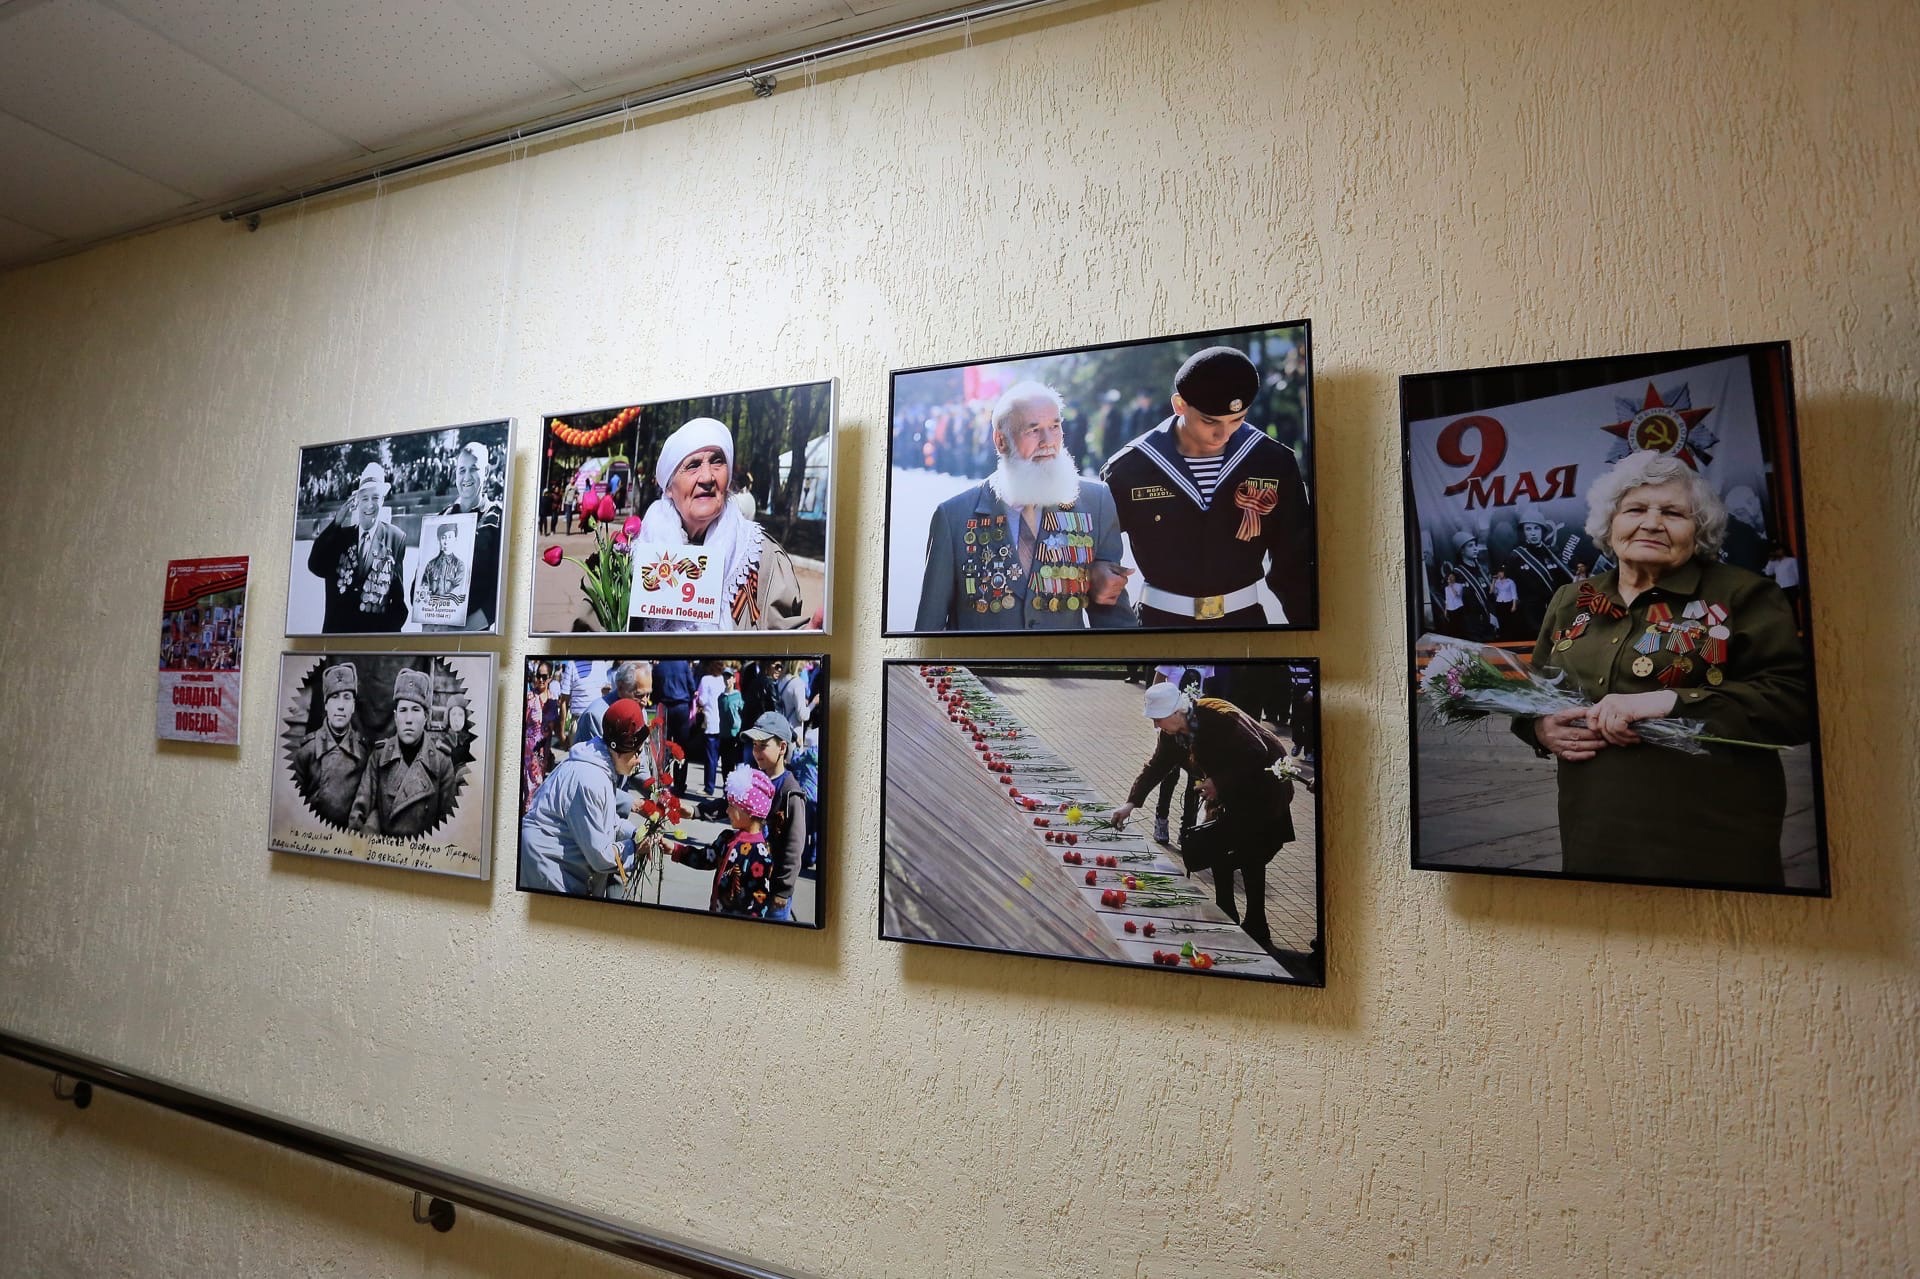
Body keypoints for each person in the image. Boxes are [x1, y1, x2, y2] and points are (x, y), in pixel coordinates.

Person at [1511, 451, 1812, 887]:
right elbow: (1535, 694)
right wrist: (1538, 728)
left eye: (1672, 512)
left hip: (1709, 836)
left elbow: (1795, 702)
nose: (1651, 523)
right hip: (1594, 832)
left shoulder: (1743, 595)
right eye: (1635, 509)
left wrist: (1669, 701)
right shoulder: (1569, 599)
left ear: (1699, 530)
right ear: (1609, 523)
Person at [1102, 347, 1314, 627]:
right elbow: (1097, 555)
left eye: (1237, 419)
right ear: (1180, 404)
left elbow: (1295, 564)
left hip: (1245, 628)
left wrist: (1309, 638)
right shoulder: (1132, 467)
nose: (1223, 434)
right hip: (1159, 628)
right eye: (1209, 421)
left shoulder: (1272, 461)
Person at [914, 381, 1137, 630]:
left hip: (1066, 667)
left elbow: (1113, 615)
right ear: (1001, 441)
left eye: (1055, 427)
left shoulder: (1095, 502)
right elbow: (929, 629)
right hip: (981, 668)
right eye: (1033, 430)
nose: (1048, 441)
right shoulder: (954, 516)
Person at [1110, 682, 1296, 950]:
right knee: (1219, 852)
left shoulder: (1219, 717)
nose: (1155, 726)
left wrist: (1218, 782)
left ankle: (1256, 927)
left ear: (1177, 712)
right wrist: (1130, 803)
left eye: (1158, 719)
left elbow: (1257, 753)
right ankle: (1227, 917)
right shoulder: (1172, 734)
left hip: (1263, 790)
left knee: (1251, 858)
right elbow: (1156, 766)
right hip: (1230, 794)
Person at [634, 418, 807, 631]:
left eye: (717, 461)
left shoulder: (761, 557)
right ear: (669, 488)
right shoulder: (635, 553)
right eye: (693, 465)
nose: (707, 477)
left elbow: (788, 643)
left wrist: (807, 643)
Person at [520, 698, 649, 897]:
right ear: (619, 748)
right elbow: (600, 856)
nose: (639, 761)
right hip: (547, 864)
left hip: (548, 858)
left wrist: (637, 833)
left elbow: (604, 820)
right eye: (637, 752)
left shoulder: (599, 761)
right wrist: (635, 848)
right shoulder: (592, 779)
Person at [351, 668, 460, 837]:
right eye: (403, 710)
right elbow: (359, 814)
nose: (408, 719)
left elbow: (449, 828)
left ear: (426, 717)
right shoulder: (379, 756)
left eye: (416, 710)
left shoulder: (441, 763)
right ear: (395, 717)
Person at [306, 462, 410, 632]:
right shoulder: (340, 537)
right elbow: (315, 565)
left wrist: (383, 637)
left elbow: (398, 603)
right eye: (364, 498)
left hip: (372, 644)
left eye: (375, 497)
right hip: (338, 637)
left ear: (383, 500)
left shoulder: (396, 538)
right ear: (357, 502)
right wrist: (336, 523)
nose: (370, 505)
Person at [668, 764, 781, 918]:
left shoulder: (760, 855)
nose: (727, 811)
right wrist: (675, 850)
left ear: (749, 811)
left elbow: (759, 902)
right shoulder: (727, 838)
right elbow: (706, 859)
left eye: (732, 806)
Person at [426, 440, 500, 630]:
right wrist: (428, 621)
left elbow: (499, 594)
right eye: (461, 470)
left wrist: (463, 631)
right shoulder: (441, 519)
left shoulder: (498, 520)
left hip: (474, 638)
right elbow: (419, 583)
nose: (466, 476)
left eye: (473, 469)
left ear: (487, 472)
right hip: (437, 634)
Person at [743, 711, 808, 921]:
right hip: (751, 878)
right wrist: (696, 812)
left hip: (775, 889)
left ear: (782, 748)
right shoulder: (754, 778)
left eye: (763, 745)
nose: (756, 751)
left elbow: (794, 847)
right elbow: (731, 804)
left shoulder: (791, 792)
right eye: (754, 745)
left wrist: (783, 890)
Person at [290, 661, 368, 827]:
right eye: (334, 697)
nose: (340, 706)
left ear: (353, 706)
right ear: (326, 705)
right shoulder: (308, 750)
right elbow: (294, 807)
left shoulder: (363, 751)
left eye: (347, 698)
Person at [1147, 664, 1213, 845]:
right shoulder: (1174, 651)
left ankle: (1188, 828)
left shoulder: (1206, 658)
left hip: (1192, 724)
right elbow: (1157, 683)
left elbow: (1207, 686)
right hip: (1171, 722)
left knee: (1195, 778)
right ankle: (1161, 820)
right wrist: (1157, 718)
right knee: (1169, 774)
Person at [655, 658, 696, 794]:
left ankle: (663, 780)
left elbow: (655, 690)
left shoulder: (660, 665)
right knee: (682, 747)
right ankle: (679, 783)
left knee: (664, 746)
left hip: (665, 706)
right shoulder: (683, 664)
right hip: (681, 707)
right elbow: (691, 687)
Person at [695, 660, 727, 796]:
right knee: (721, 757)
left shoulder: (705, 679)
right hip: (723, 722)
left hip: (710, 720)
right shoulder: (723, 680)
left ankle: (709, 786)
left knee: (710, 757)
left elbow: (702, 699)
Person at [1764, 542, 1803, 627]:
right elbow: (1768, 572)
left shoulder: (1791, 560)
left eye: (1779, 550)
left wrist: (1800, 586)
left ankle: (1797, 626)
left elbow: (1797, 573)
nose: (1778, 552)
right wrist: (1771, 561)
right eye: (1776, 550)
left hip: (1791, 587)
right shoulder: (1775, 563)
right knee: (1783, 608)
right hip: (1780, 588)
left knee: (1792, 608)